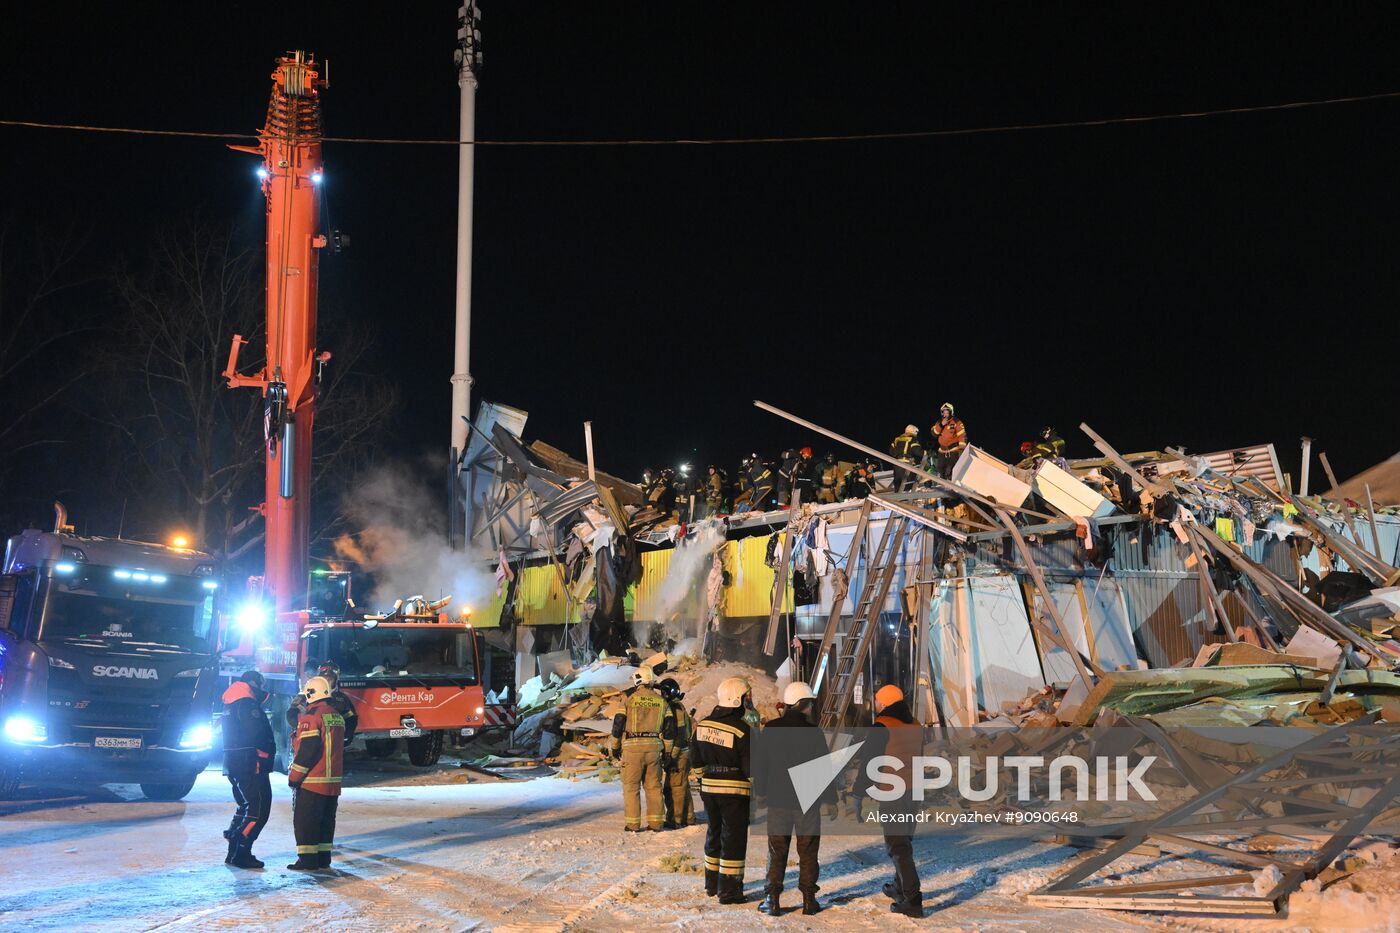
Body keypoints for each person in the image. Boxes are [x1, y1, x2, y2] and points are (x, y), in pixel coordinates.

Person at [758, 682, 832, 916]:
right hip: (807, 801)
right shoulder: (814, 732)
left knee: (777, 850)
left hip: (778, 800)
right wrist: (831, 799)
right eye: (809, 703)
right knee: (808, 851)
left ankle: (772, 900)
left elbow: (762, 763)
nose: (811, 707)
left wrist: (761, 791)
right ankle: (809, 900)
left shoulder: (771, 729)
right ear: (802, 704)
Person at [858, 684, 925, 918]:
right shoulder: (915, 725)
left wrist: (859, 791)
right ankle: (899, 886)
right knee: (904, 841)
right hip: (914, 791)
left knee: (898, 847)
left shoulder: (882, 726)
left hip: (892, 793)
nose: (875, 704)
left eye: (877, 700)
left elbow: (869, 762)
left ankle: (912, 900)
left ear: (884, 703)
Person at [691, 676, 754, 904]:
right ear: (737, 700)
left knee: (714, 833)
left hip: (709, 789)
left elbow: (695, 760)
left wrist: (703, 781)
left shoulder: (703, 725)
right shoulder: (742, 730)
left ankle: (712, 884)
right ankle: (729, 891)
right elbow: (750, 768)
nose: (748, 701)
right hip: (734, 791)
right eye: (746, 697)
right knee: (733, 838)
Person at [287, 675, 347, 871]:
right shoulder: (336, 716)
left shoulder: (311, 717)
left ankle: (307, 860)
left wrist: (295, 777)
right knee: (325, 822)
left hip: (312, 781)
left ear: (310, 694)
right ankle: (323, 858)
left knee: (306, 822)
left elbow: (308, 750)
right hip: (332, 783)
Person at [221, 669, 275, 869]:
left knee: (245, 806)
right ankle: (242, 852)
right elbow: (257, 734)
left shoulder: (231, 702)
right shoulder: (247, 704)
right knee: (258, 810)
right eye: (260, 685)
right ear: (253, 683)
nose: (262, 689)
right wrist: (265, 754)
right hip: (252, 763)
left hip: (235, 763)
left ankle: (233, 851)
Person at [610, 668, 676, 832]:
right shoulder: (662, 701)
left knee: (631, 787)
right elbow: (669, 730)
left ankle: (633, 824)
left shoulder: (628, 699)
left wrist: (615, 747)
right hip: (654, 750)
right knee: (654, 787)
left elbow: (618, 724)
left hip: (632, 750)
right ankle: (656, 824)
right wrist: (667, 752)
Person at [286, 660, 359, 743]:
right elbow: (291, 715)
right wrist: (305, 728)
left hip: (333, 741)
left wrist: (345, 735)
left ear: (336, 680)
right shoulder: (307, 693)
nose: (326, 682)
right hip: (309, 740)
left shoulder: (342, 698)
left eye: (330, 679)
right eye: (324, 679)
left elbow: (351, 719)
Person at [657, 678, 695, 829]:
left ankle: (675, 820)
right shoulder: (677, 706)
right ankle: (689, 817)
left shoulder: (675, 708)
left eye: (663, 692)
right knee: (683, 786)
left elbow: (680, 734)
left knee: (674, 788)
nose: (661, 695)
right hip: (684, 753)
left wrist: (671, 756)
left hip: (679, 755)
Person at [931, 403, 967, 479]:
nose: (945, 414)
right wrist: (941, 425)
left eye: (947, 412)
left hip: (953, 450)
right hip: (942, 450)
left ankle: (952, 482)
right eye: (944, 412)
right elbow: (934, 433)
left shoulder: (957, 422)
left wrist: (962, 447)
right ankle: (942, 482)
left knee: (953, 469)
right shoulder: (939, 422)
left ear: (951, 413)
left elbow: (962, 435)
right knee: (940, 469)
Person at [889, 425, 923, 492]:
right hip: (907, 465)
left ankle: (897, 496)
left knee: (898, 484)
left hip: (897, 465)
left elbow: (891, 451)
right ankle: (907, 496)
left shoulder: (897, 440)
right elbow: (917, 451)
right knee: (908, 484)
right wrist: (925, 453)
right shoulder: (913, 439)